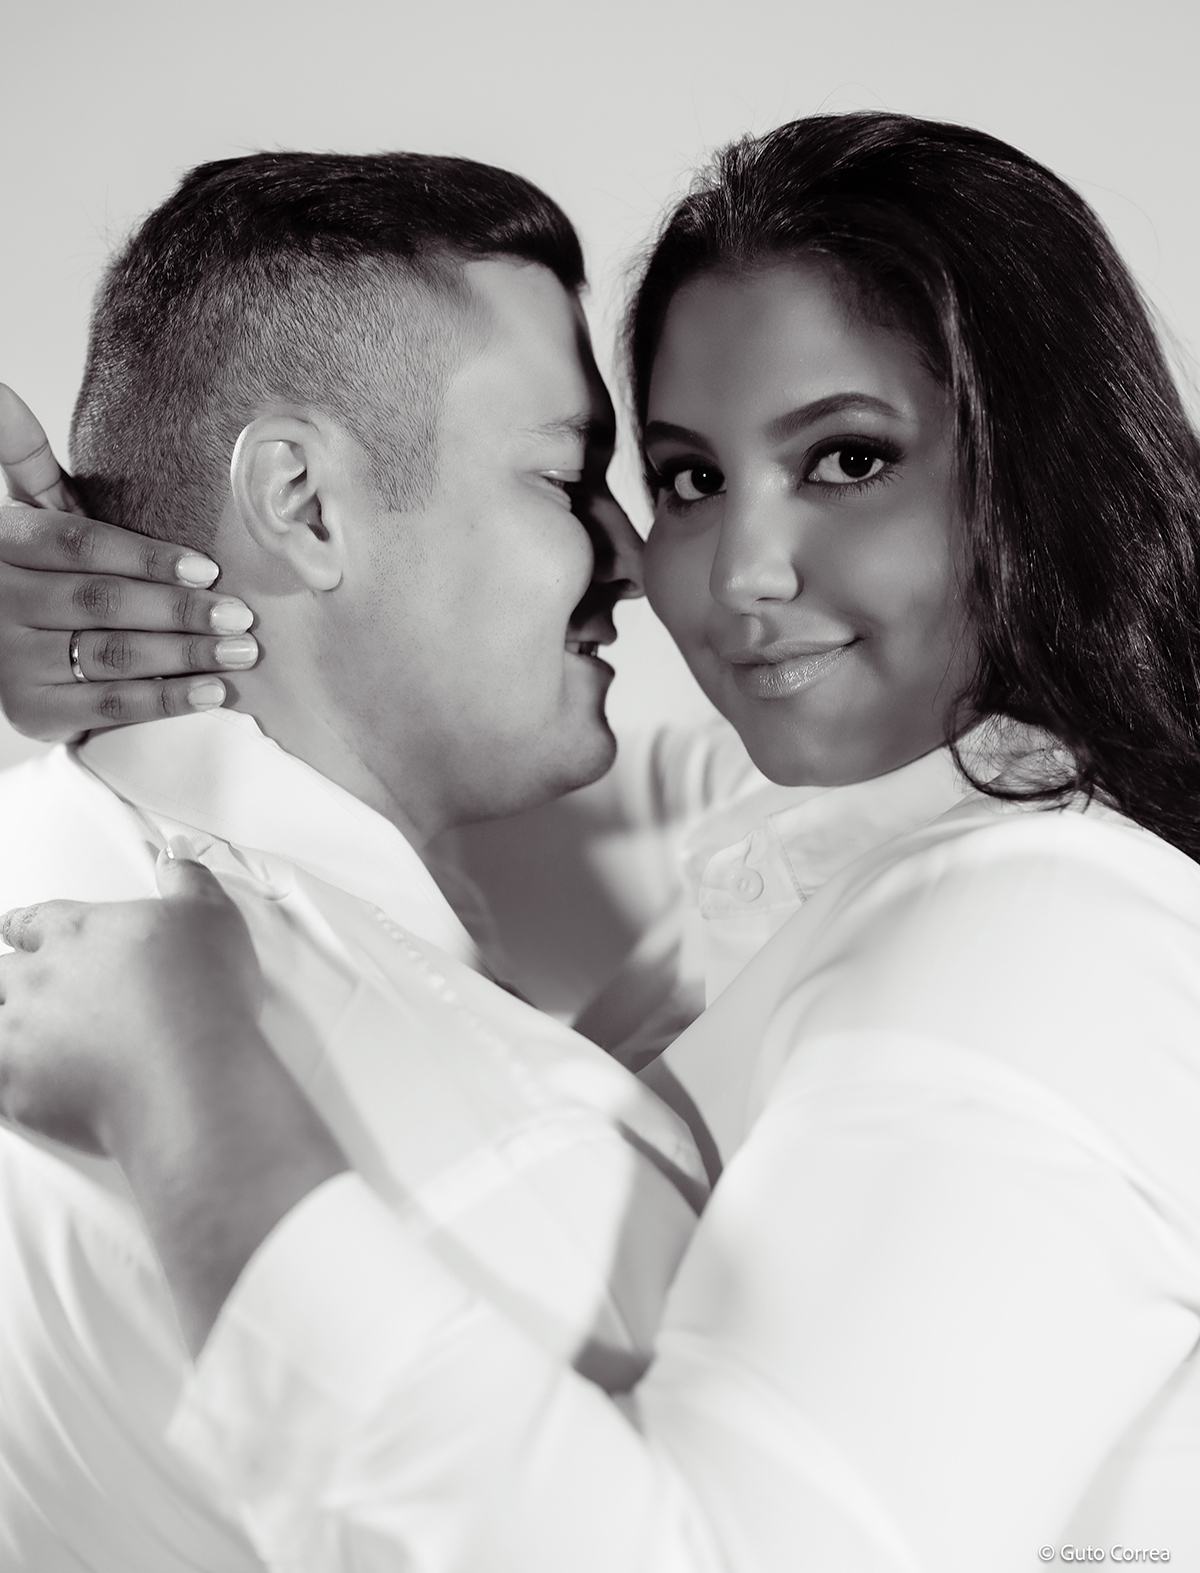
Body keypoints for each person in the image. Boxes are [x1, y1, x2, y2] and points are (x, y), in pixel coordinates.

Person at [5, 111, 1200, 1572]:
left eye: (847, 457)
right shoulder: (696, 864)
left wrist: (187, 1098)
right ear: (303, 504)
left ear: (1039, 467)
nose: (692, 566)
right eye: (673, 475)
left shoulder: (1044, 915)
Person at [0, 149, 736, 1572]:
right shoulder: (536, 1160)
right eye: (565, 475)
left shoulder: (36, 848)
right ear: (305, 501)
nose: (635, 558)